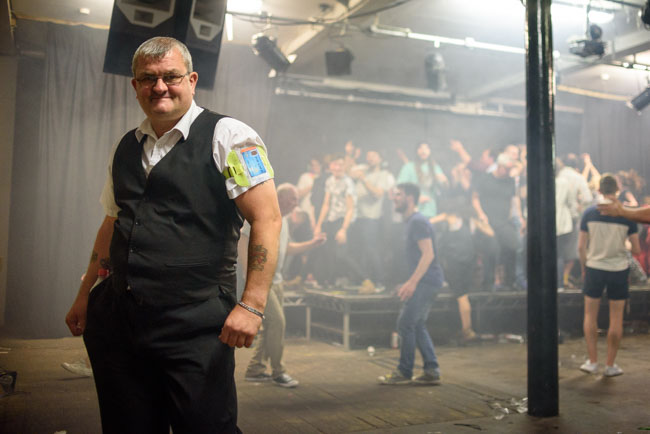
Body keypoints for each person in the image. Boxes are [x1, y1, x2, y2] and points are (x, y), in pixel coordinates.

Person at [64, 37, 282, 434]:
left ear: (192, 80)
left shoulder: (230, 136)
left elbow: (267, 219)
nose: (160, 87)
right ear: (135, 86)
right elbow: (113, 223)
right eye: (148, 79)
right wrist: (85, 294)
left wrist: (252, 305)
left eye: (171, 76)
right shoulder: (126, 147)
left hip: (195, 323)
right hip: (120, 321)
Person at [240, 184, 326, 388]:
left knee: (271, 326)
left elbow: (287, 249)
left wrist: (312, 244)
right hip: (261, 282)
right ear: (281, 198)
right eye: (293, 199)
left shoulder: (283, 221)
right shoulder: (262, 214)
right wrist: (249, 277)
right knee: (278, 323)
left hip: (277, 281)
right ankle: (278, 371)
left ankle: (255, 369)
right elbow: (242, 241)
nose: (296, 203)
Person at [378, 183, 443, 385]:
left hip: (427, 281)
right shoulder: (412, 222)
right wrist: (408, 282)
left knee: (405, 323)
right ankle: (431, 370)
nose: (394, 198)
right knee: (417, 324)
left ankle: (404, 371)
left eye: (398, 195)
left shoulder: (417, 221)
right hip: (427, 280)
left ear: (410, 198)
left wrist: (412, 283)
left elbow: (428, 254)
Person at [578, 174, 640, 377]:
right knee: (616, 318)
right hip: (618, 269)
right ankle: (610, 365)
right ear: (617, 190)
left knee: (590, 315)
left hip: (594, 267)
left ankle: (592, 362)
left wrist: (584, 267)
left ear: (599, 190)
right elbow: (636, 249)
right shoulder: (626, 215)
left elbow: (581, 246)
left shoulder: (589, 213)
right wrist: (625, 244)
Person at [397, 142, 448, 218]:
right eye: (421, 148)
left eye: (426, 148)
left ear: (430, 151)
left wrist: (445, 181)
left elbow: (445, 187)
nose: (423, 151)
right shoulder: (408, 167)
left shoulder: (435, 167)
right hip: (412, 211)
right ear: (416, 151)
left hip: (430, 211)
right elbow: (400, 187)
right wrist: (415, 197)